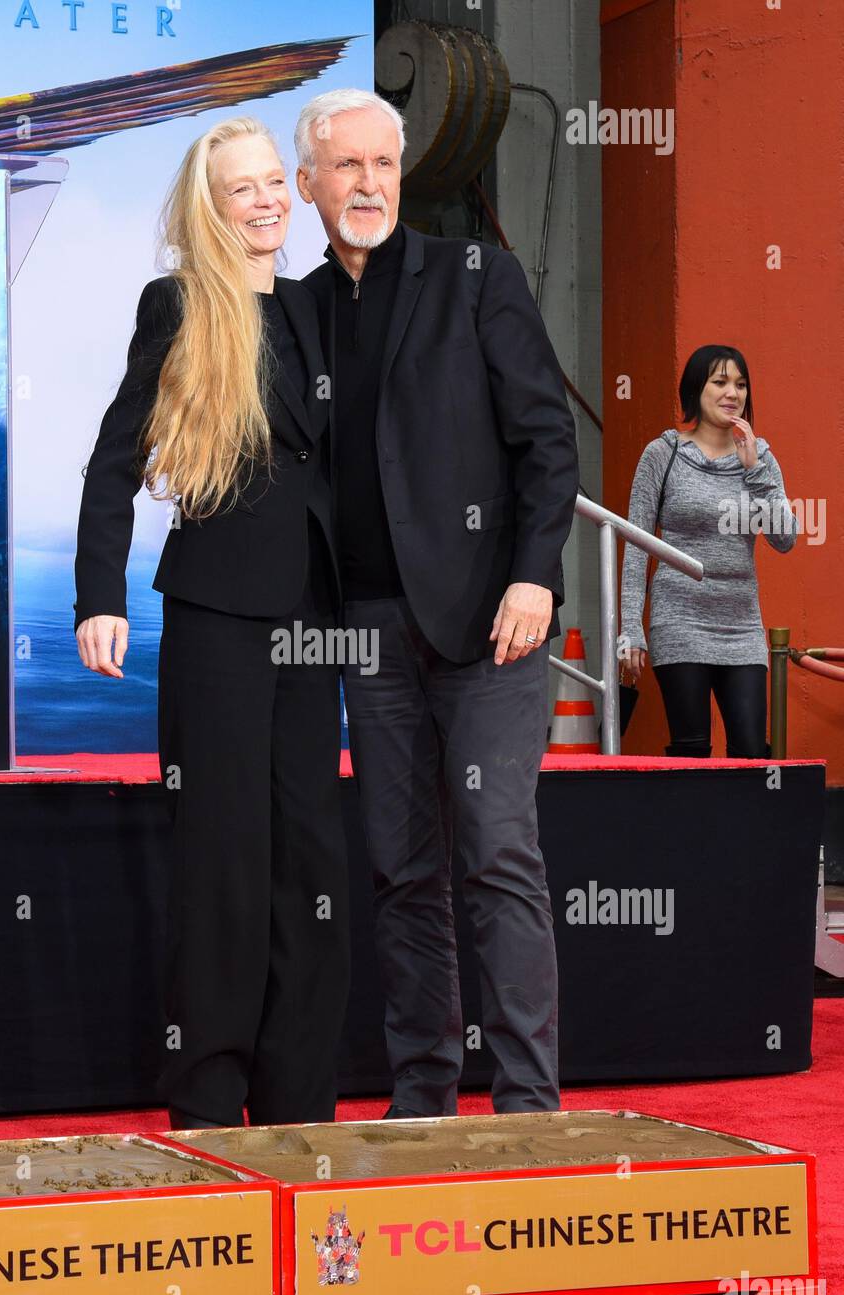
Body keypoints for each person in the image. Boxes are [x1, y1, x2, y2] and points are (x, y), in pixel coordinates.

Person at [295, 89, 580, 1118]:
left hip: (490, 626)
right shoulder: (299, 312)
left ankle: (526, 1108)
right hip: (368, 631)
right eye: (347, 167)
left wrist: (533, 575)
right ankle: (422, 1098)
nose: (367, 184)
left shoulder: (476, 278)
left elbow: (549, 442)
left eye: (383, 165)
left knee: (497, 852)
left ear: (400, 176)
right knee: (399, 870)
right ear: (308, 185)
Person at [73, 116, 348, 1129]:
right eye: (245, 188)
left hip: (316, 626)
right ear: (211, 205)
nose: (268, 199)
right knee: (223, 865)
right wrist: (99, 593)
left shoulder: (326, 308)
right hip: (217, 617)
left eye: (278, 180)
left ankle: (299, 1108)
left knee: (311, 867)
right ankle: (205, 1102)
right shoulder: (182, 303)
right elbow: (113, 459)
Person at [620, 345, 797, 758]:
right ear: (696, 391)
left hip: (741, 626)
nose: (732, 393)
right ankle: (694, 824)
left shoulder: (761, 456)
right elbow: (636, 546)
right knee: (691, 748)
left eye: (740, 384)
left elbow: (785, 539)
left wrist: (755, 472)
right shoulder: (663, 454)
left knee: (753, 751)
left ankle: (745, 825)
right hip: (679, 620)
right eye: (720, 382)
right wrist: (631, 627)